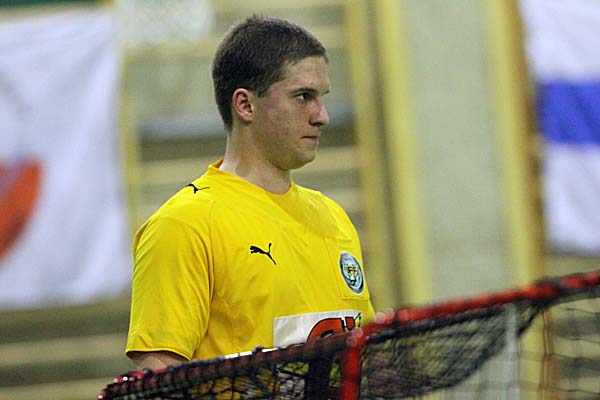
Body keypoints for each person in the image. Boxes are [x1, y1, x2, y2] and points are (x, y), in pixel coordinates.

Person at [125, 15, 375, 370]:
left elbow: (363, 359)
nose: (322, 116)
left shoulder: (333, 217)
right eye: (303, 96)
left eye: (322, 98)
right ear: (245, 105)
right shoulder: (184, 225)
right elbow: (159, 376)